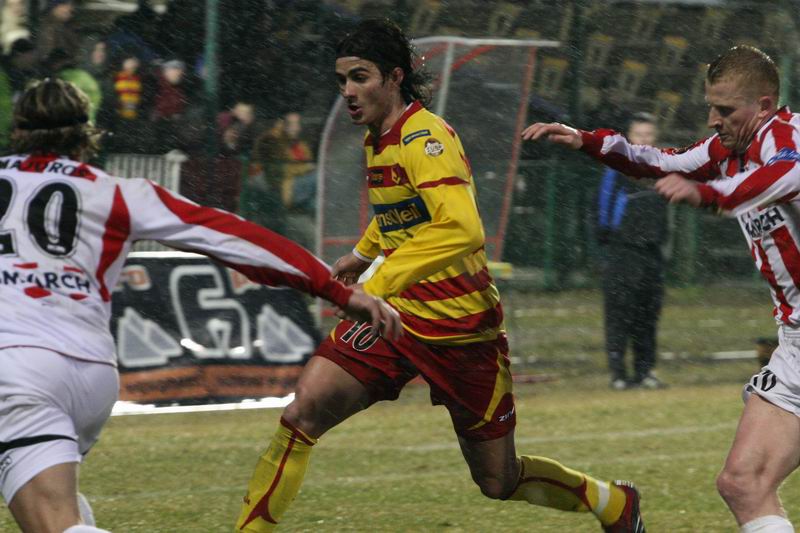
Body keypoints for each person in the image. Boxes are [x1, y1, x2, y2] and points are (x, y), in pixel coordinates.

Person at [235, 19, 644, 533]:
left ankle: (614, 504)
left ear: (394, 77)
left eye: (360, 77)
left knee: (498, 479)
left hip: (462, 327)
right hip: (398, 317)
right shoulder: (377, 138)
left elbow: (461, 228)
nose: (348, 92)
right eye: (341, 81)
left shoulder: (426, 137)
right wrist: (363, 254)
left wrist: (377, 282)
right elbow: (404, 211)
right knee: (303, 414)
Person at [0, 78, 401, 533]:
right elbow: (232, 236)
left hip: (16, 367)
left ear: (17, 130)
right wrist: (337, 290)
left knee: (53, 523)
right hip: (88, 372)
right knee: (54, 505)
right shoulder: (115, 191)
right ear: (84, 134)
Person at [523, 44, 800, 533]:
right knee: (743, 483)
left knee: (747, 481)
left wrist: (708, 194)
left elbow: (785, 174)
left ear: (763, 105)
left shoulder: (788, 137)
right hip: (795, 340)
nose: (713, 120)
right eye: (711, 107)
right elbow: (656, 160)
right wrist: (587, 141)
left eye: (725, 110)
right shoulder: (726, 151)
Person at [595, 112, 668, 390]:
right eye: (639, 135)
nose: (644, 140)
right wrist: (609, 248)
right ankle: (618, 374)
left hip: (652, 253)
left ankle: (644, 371)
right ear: (629, 138)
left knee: (647, 315)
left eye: (649, 135)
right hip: (622, 252)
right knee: (619, 313)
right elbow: (602, 213)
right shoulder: (616, 169)